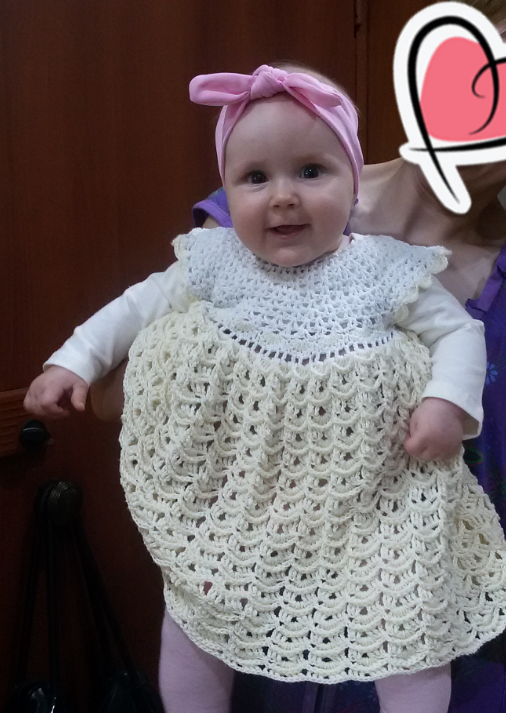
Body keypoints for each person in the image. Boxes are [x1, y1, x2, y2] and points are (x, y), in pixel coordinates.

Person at [24, 60, 506, 713]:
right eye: (255, 178)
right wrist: (72, 363)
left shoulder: (384, 267)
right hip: (247, 497)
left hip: (373, 503)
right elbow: (135, 308)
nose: (283, 196)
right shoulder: (215, 257)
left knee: (412, 626)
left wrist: (447, 402)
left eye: (311, 172)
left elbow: (458, 333)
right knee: (198, 611)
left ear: (351, 181)